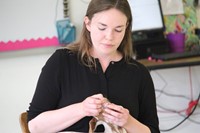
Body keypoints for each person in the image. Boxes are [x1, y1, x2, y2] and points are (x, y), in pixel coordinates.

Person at [27, 0, 160, 132]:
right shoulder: (62, 61)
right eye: (102, 28)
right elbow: (34, 127)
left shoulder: (138, 73)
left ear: (126, 27)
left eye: (118, 30)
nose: (109, 37)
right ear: (88, 23)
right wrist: (82, 109)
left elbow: (153, 130)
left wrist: (128, 122)